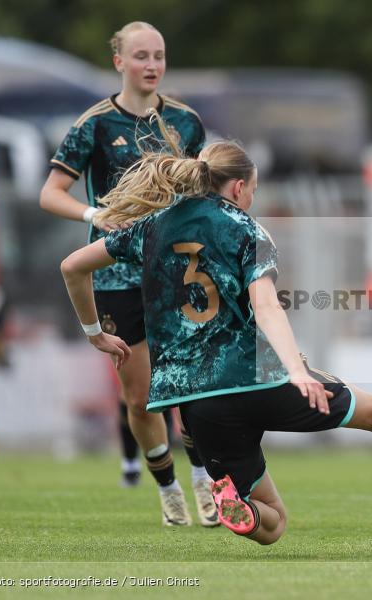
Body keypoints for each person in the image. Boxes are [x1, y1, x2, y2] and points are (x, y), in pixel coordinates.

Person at [58, 124, 372, 545]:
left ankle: (242, 510)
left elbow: (72, 266)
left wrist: (95, 332)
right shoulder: (246, 228)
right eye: (253, 190)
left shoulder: (151, 227)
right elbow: (267, 304)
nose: (252, 198)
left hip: (195, 401)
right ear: (238, 188)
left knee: (272, 523)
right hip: (258, 378)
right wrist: (298, 370)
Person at [39, 22, 216, 527]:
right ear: (119, 61)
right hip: (116, 278)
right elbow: (50, 192)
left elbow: (204, 191)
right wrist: (93, 216)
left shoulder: (185, 122)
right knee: (141, 397)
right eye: (141, 55)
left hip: (178, 272)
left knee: (190, 387)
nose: (152, 65)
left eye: (159, 55)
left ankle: (205, 482)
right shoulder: (93, 124)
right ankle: (168, 489)